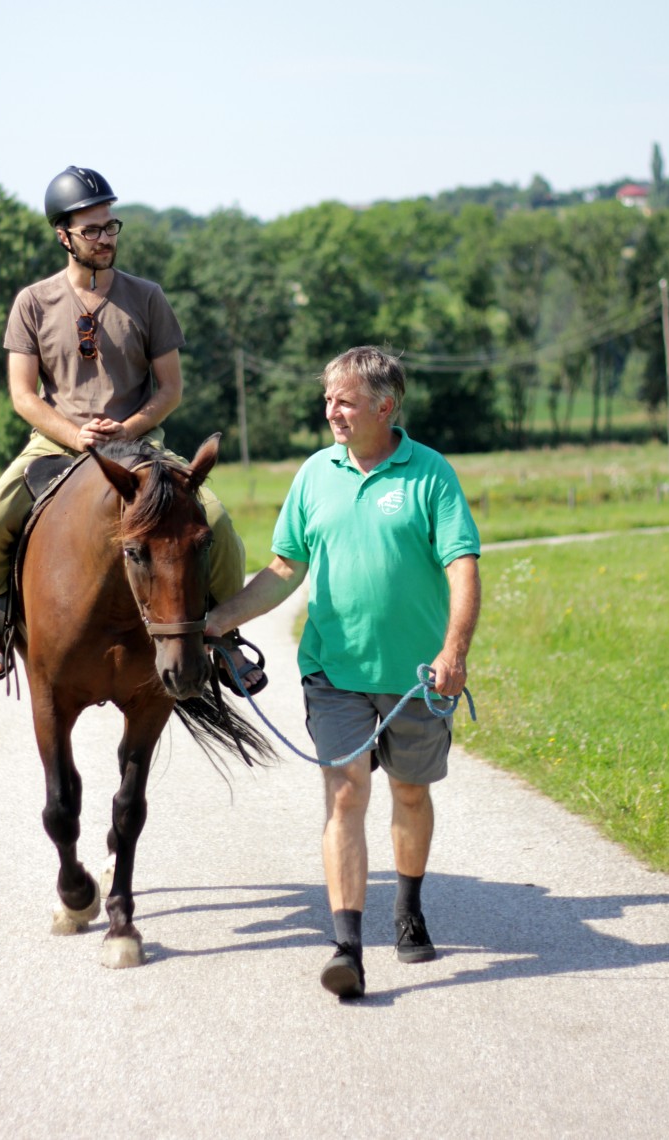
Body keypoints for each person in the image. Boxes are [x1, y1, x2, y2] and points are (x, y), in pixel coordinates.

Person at [205, 345, 480, 998]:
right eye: (327, 398)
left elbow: (462, 566)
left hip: (416, 676)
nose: (331, 410)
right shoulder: (314, 476)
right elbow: (284, 569)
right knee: (345, 793)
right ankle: (347, 948)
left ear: (384, 407)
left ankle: (408, 908)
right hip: (334, 672)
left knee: (410, 792)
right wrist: (219, 619)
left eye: (344, 400)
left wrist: (455, 652)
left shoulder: (431, 476)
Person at [0, 164, 266, 695]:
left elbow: (170, 389)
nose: (105, 239)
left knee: (216, 525)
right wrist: (74, 434)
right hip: (54, 442)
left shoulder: (148, 297)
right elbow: (23, 394)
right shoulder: (32, 302)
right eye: (92, 230)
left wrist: (126, 427)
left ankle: (226, 638)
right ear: (63, 236)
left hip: (140, 445)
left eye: (110, 227)